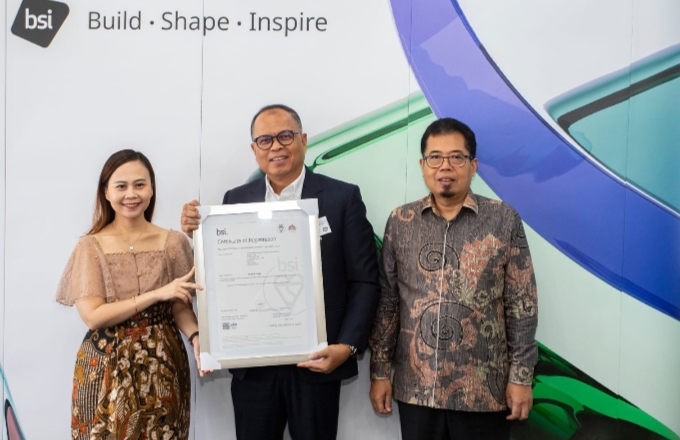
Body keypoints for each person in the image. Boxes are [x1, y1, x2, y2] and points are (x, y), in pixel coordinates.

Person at [181, 104, 381, 440]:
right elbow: (224, 276)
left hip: (318, 362)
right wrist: (198, 234)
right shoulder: (234, 200)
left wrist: (347, 346)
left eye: (286, 136)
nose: (276, 146)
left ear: (303, 140)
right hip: (253, 366)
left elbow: (365, 281)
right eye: (265, 140)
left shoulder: (342, 197)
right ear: (254, 149)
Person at [368, 118, 538, 440]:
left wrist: (521, 376)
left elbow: (522, 304)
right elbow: (388, 302)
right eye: (435, 157)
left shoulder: (503, 219)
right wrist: (379, 371)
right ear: (423, 165)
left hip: (483, 392)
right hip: (417, 391)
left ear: (473, 165)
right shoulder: (401, 222)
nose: (445, 166)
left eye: (456, 157)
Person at [56, 149, 206, 440]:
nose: (131, 194)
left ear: (152, 189)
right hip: (105, 365)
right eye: (121, 186)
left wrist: (196, 336)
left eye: (140, 184)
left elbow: (180, 307)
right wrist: (155, 294)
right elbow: (94, 316)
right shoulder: (90, 246)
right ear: (106, 192)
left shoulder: (173, 242)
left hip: (163, 365)